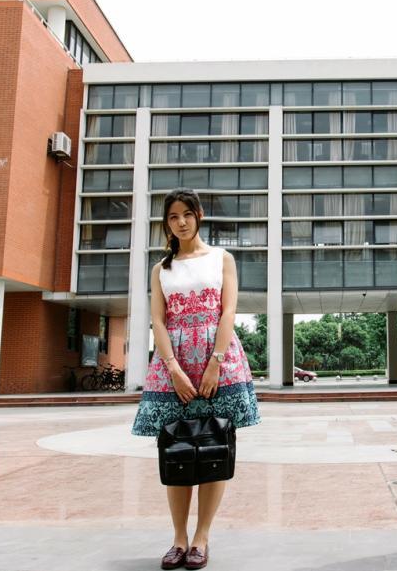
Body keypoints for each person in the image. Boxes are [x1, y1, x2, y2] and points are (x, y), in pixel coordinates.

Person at [132, 187, 261, 570]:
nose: (181, 222)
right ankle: (178, 539)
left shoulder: (222, 259)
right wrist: (172, 369)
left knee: (214, 445)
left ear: (199, 215)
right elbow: (158, 321)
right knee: (176, 447)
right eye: (173, 217)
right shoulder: (161, 269)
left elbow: (228, 311)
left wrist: (215, 363)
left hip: (217, 359)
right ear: (166, 223)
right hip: (172, 365)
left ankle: (202, 537)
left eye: (187, 214)